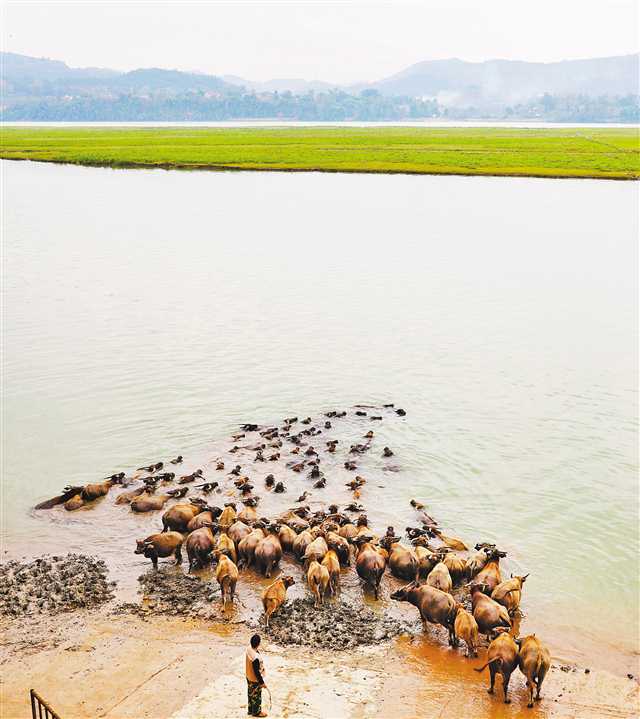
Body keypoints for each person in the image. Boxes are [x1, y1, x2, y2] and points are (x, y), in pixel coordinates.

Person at [245, 633, 267, 717]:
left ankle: (250, 710)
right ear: (258, 644)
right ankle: (257, 712)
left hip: (248, 676)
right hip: (255, 679)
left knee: (250, 693)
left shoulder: (248, 649)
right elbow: (257, 672)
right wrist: (262, 683)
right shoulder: (256, 658)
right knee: (257, 696)